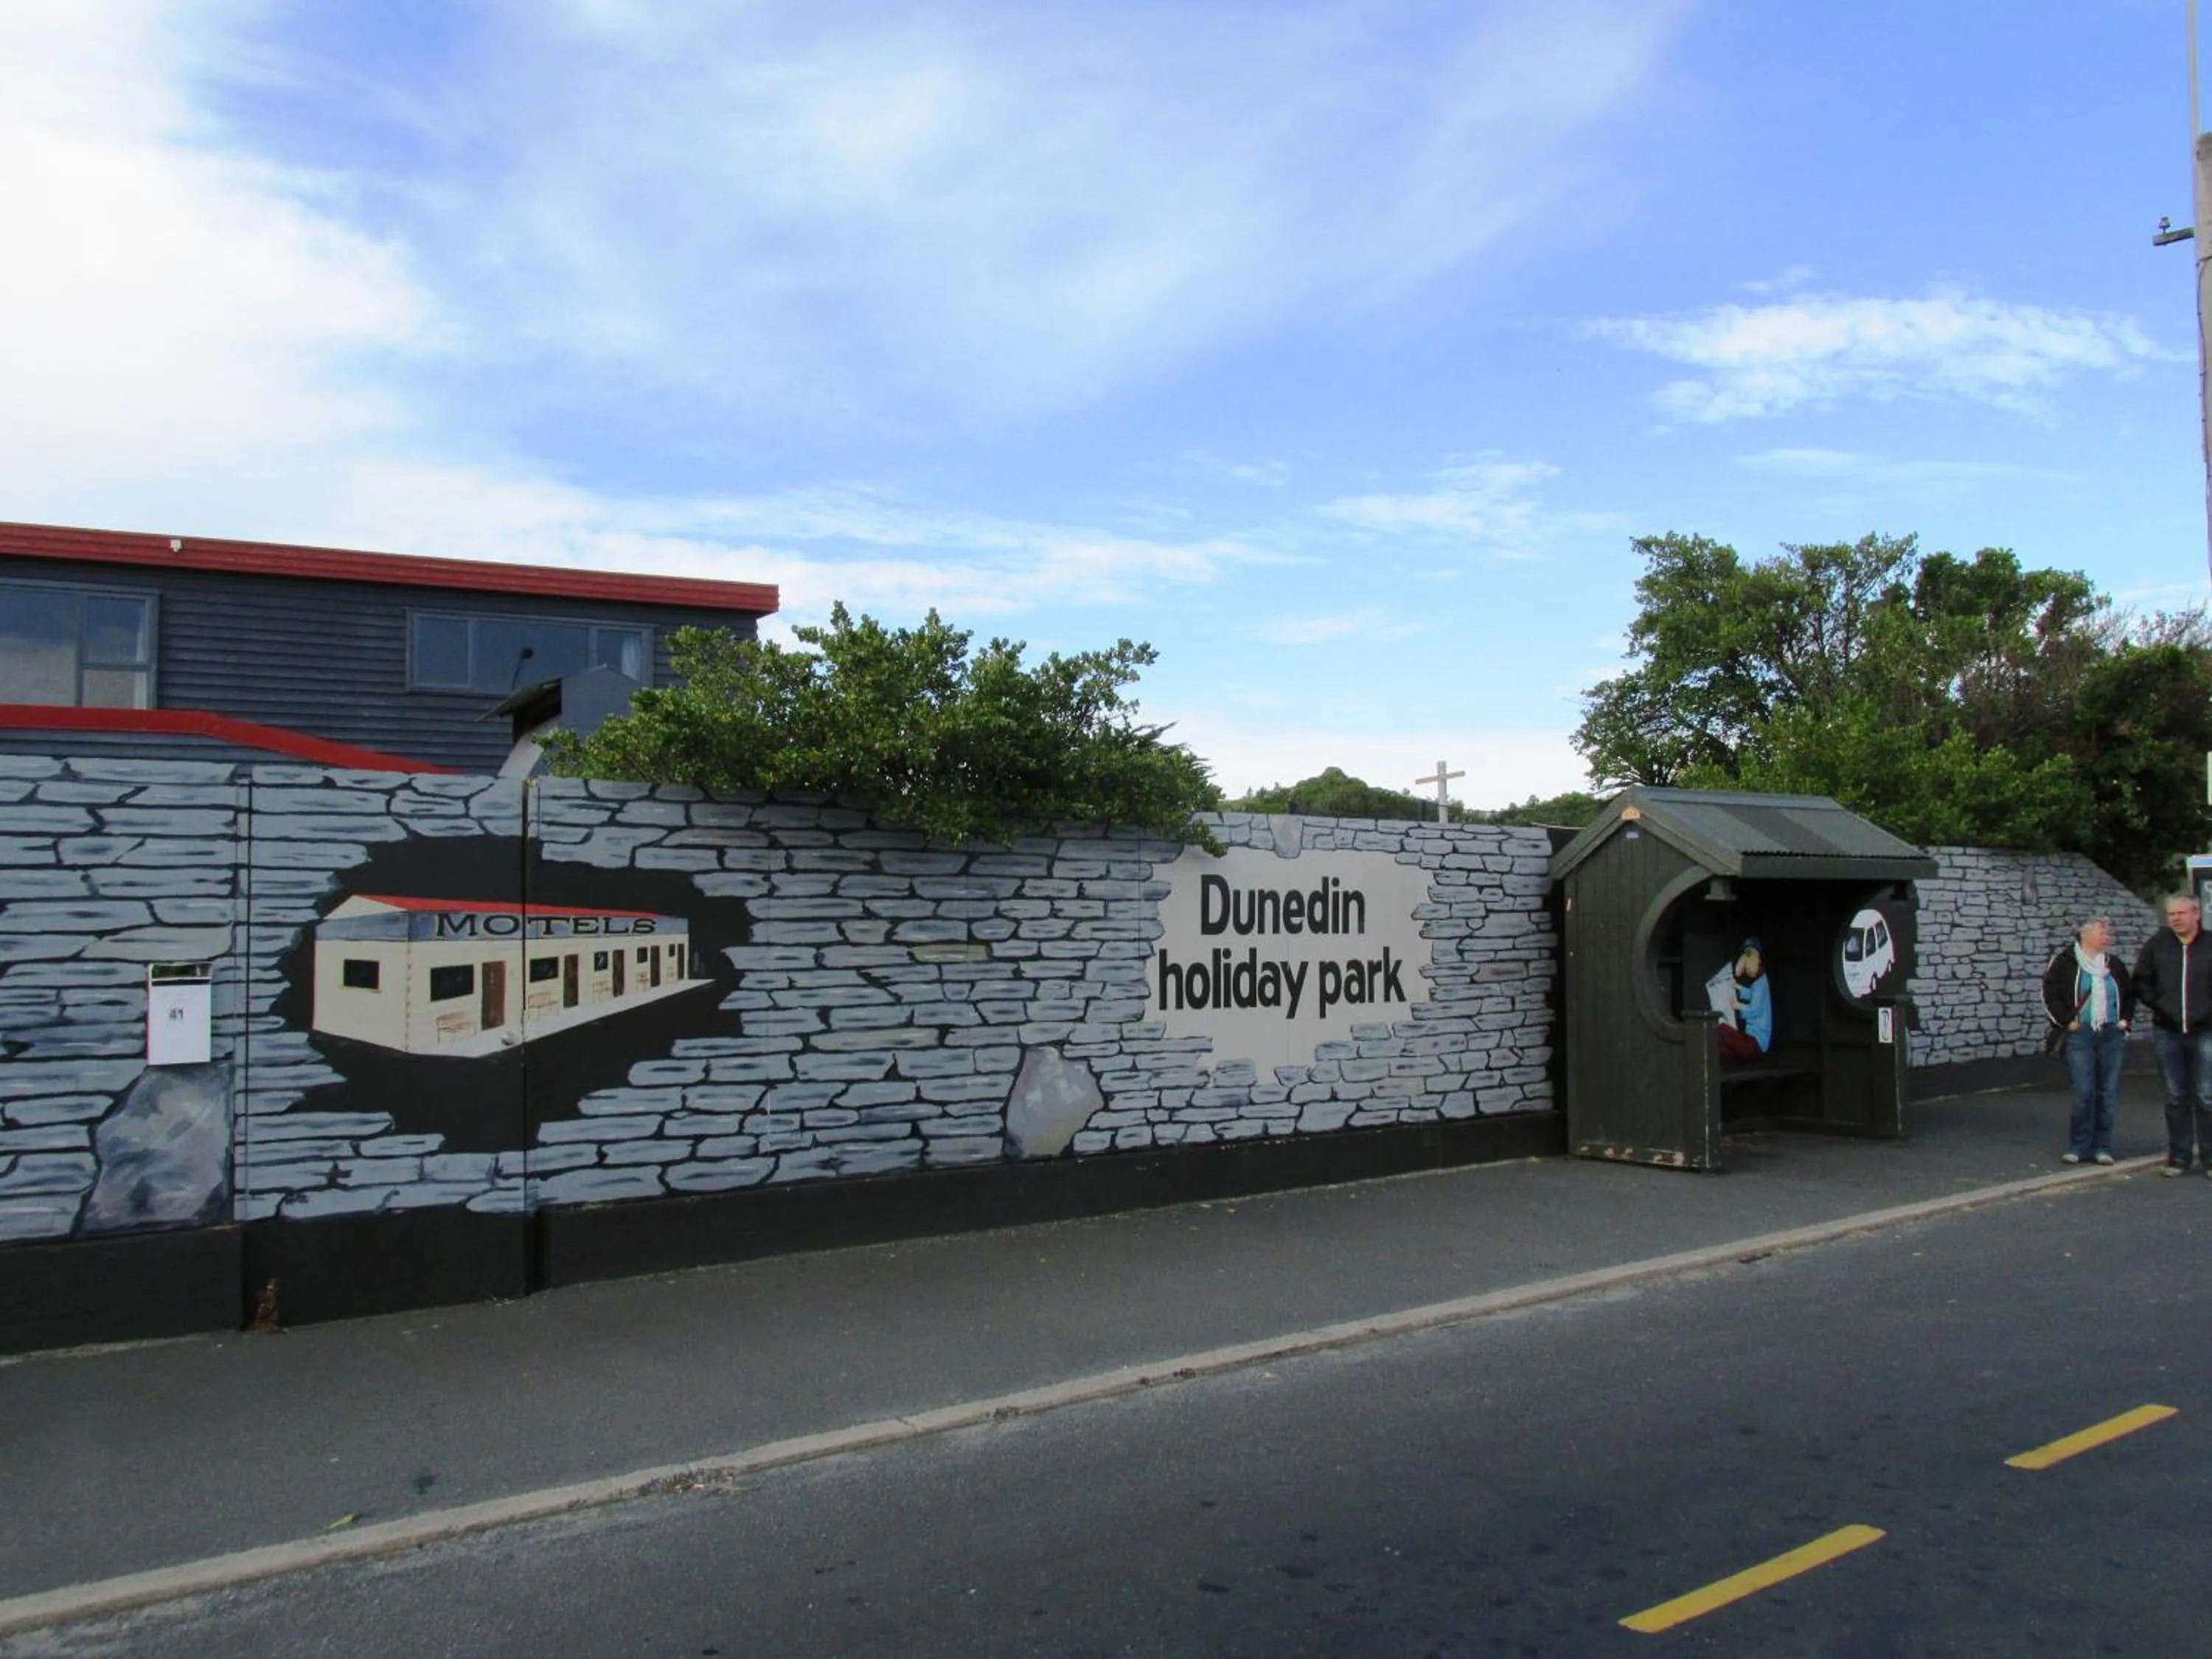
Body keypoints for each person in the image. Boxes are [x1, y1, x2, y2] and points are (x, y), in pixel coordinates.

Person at [2130, 894, 2212, 1175]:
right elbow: (2141, 980)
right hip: (2168, 1030)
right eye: (2171, 914)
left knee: (2206, 1094)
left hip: (2206, 1031)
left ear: (2196, 913)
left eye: (2181, 913)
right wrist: (2161, 1005)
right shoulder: (2158, 945)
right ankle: (2179, 1157)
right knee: (2175, 1095)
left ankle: (2210, 1158)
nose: (2175, 919)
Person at [2042, 917, 2132, 1166]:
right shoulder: (2064, 962)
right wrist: (2064, 1021)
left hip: (2111, 1035)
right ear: (2086, 935)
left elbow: (2129, 994)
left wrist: (2125, 1021)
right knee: (2084, 1091)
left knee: (2107, 1093)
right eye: (2103, 932)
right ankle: (2079, 1146)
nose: (2108, 935)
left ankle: (2103, 1147)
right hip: (2080, 1035)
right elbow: (2050, 994)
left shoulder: (2114, 964)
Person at [1717, 939, 1771, 1061]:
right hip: (1752, 1038)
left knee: (1722, 1029)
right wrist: (1737, 987)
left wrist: (1738, 1005)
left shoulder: (1761, 984)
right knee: (1724, 1045)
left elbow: (1755, 1010)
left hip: (1756, 1042)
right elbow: (1751, 994)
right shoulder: (1759, 983)